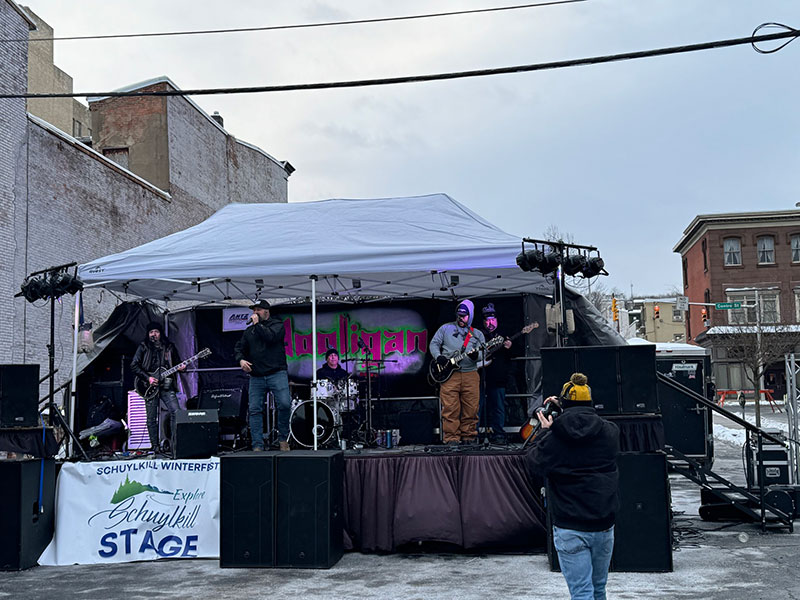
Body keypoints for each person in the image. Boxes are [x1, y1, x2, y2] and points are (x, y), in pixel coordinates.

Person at [525, 373, 620, 600]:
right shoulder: (610, 432)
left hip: (570, 525)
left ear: (564, 405)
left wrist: (546, 432)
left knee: (581, 593)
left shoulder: (555, 437)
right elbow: (588, 423)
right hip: (603, 524)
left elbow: (533, 463)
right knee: (598, 589)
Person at [234, 300, 292, 451]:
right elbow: (239, 347)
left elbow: (270, 337)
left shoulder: (277, 325)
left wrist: (258, 325)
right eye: (254, 310)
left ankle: (283, 439)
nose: (255, 313)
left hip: (277, 373)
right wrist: (241, 360)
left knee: (285, 404)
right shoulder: (249, 331)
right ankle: (257, 445)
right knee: (254, 409)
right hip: (257, 376)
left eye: (258, 310)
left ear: (267, 311)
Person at [430, 299, 486, 445]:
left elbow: (483, 354)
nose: (461, 318)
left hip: (471, 374)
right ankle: (451, 439)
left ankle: (469, 437)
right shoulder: (445, 329)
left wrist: (476, 356)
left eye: (464, 316)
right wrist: (439, 357)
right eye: (459, 315)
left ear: (471, 316)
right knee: (450, 408)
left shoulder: (477, 334)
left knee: (471, 408)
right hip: (449, 375)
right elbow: (434, 344)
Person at [131, 321, 184, 454]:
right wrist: (147, 377)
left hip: (167, 384)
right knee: (151, 417)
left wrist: (182, 368)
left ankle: (175, 445)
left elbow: (177, 364)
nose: (153, 334)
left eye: (156, 331)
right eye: (151, 332)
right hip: (148, 385)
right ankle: (154, 446)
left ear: (160, 333)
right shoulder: (143, 347)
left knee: (175, 412)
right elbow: (134, 365)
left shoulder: (169, 347)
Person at [479, 303, 513, 444]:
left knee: (498, 407)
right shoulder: (478, 335)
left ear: (497, 320)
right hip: (480, 376)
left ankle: (498, 433)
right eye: (487, 321)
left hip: (498, 377)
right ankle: (474, 434)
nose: (490, 323)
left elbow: (513, 356)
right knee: (477, 407)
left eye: (492, 320)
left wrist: (510, 348)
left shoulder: (504, 334)